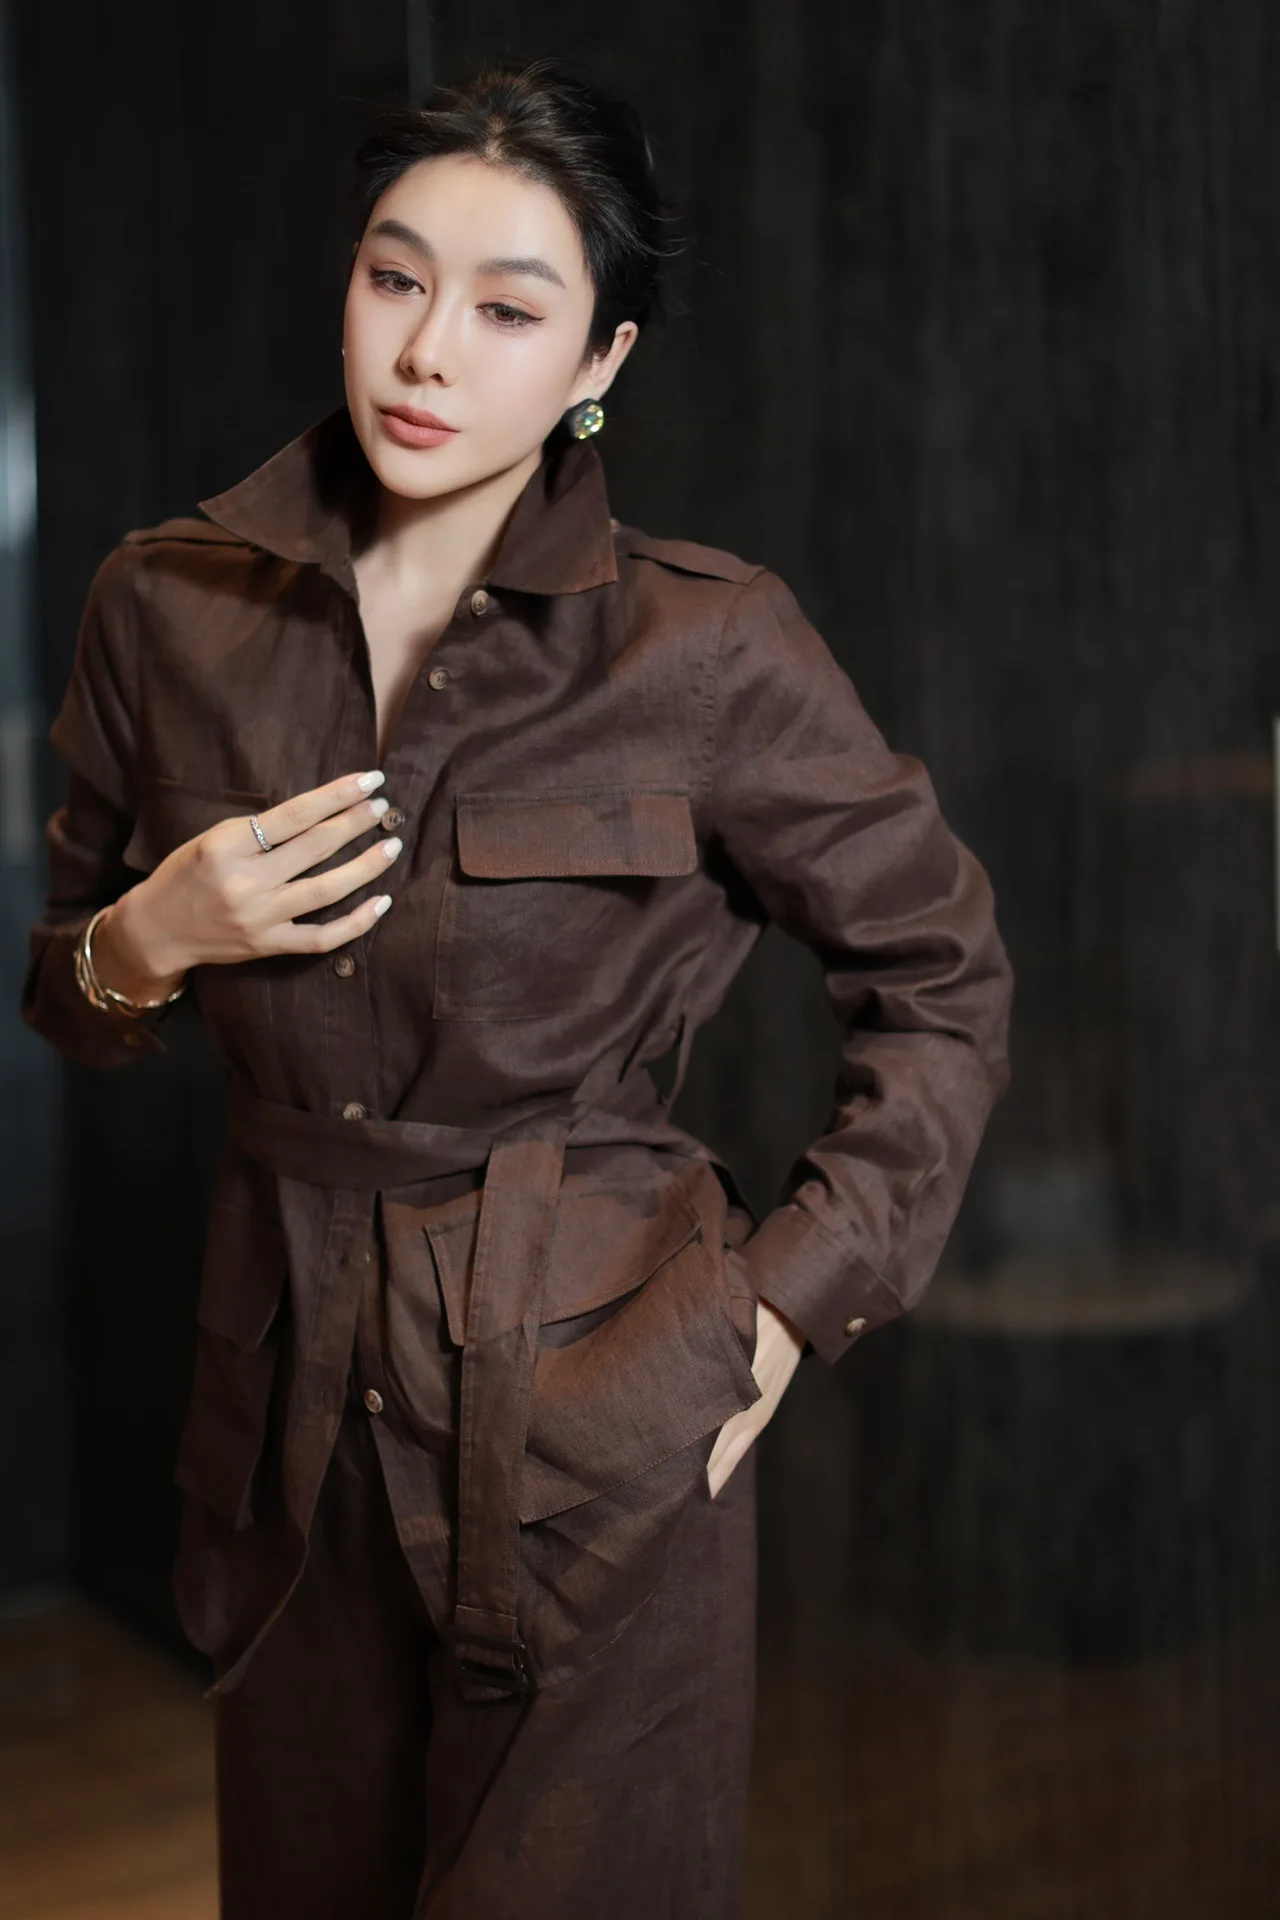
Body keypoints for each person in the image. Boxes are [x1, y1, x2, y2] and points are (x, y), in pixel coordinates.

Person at [21, 56, 1013, 1920]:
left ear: (598, 362)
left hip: (601, 1413)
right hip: (282, 1426)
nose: (425, 352)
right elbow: (67, 996)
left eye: (507, 308)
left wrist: (783, 1309)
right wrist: (148, 935)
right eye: (394, 279)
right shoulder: (165, 605)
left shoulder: (707, 645)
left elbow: (944, 977)